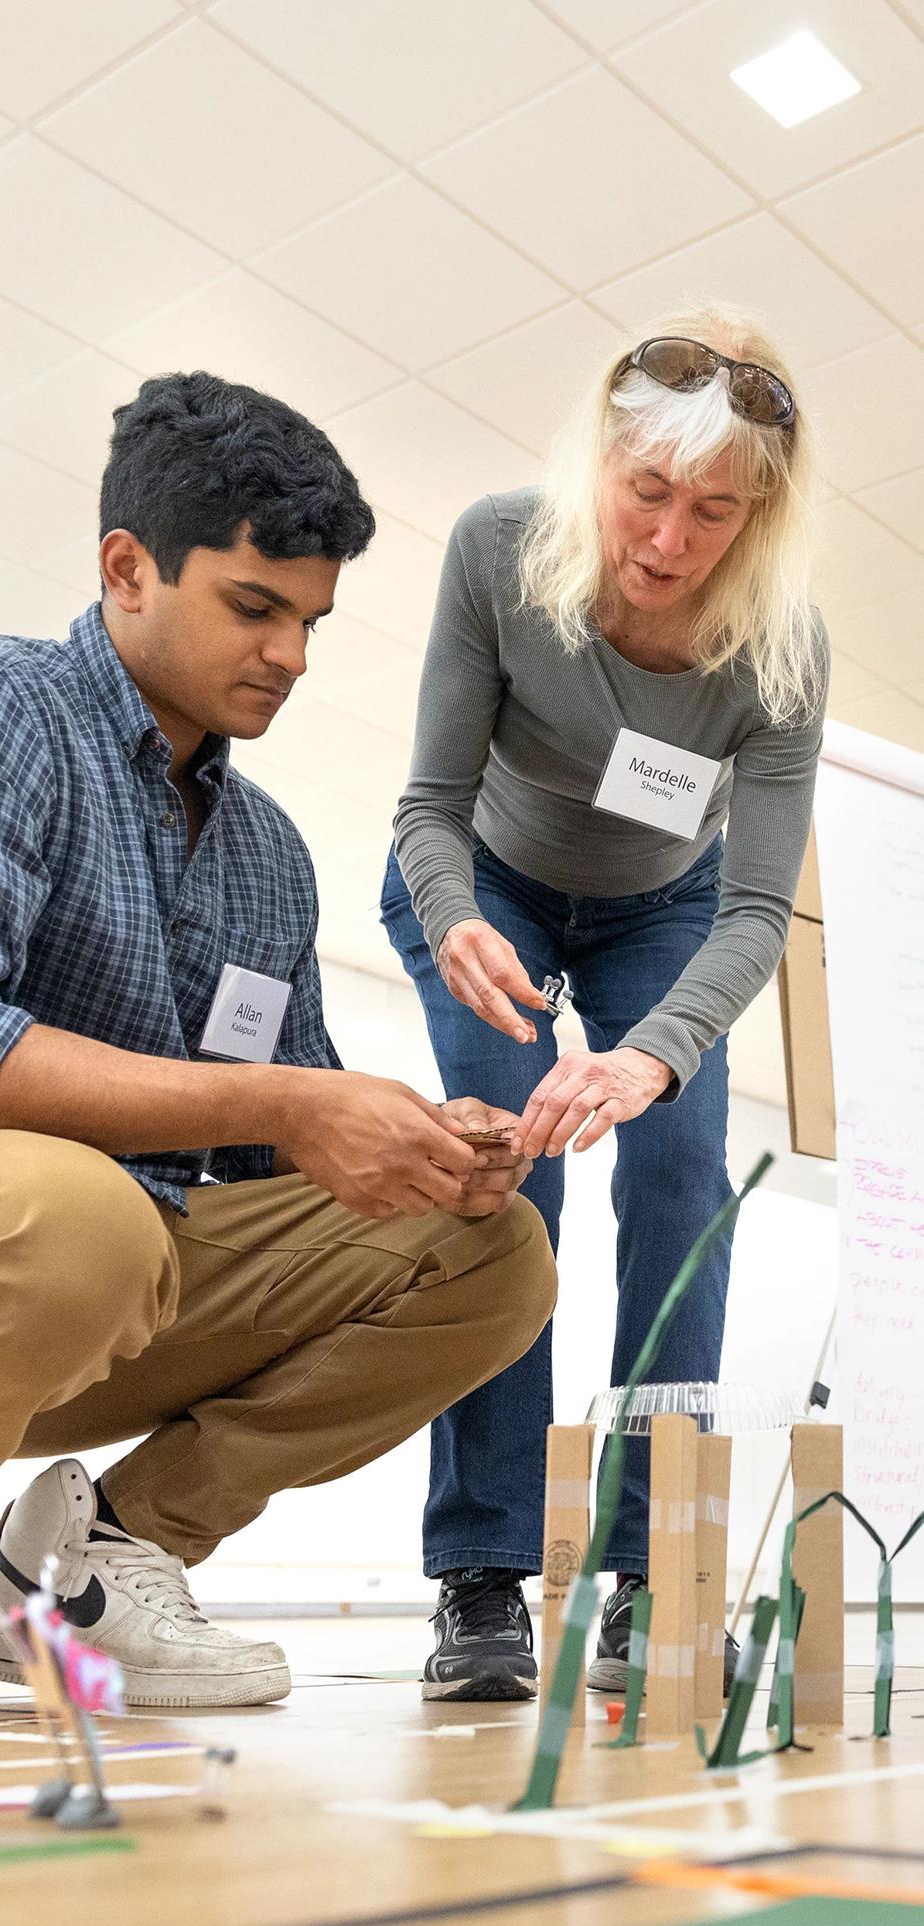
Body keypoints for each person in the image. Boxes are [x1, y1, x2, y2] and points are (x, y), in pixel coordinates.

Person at [0, 371, 556, 1723]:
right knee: (77, 1207)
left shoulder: (268, 854)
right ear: (127, 570)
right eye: (255, 608)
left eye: (312, 622)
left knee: (493, 1256)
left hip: (94, 1286)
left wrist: (413, 1152)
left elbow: (267, 1145)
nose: (290, 656)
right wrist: (289, 1102)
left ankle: (95, 1567)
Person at [380, 306, 829, 1701]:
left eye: (714, 512)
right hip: (490, 887)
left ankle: (649, 1573)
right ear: (600, 463)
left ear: (758, 518)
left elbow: (757, 911)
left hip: (668, 914)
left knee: (683, 1178)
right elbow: (429, 807)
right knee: (502, 1178)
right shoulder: (498, 551)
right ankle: (481, 1574)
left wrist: (653, 1059)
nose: (670, 543)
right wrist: (454, 921)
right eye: (647, 493)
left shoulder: (780, 652)